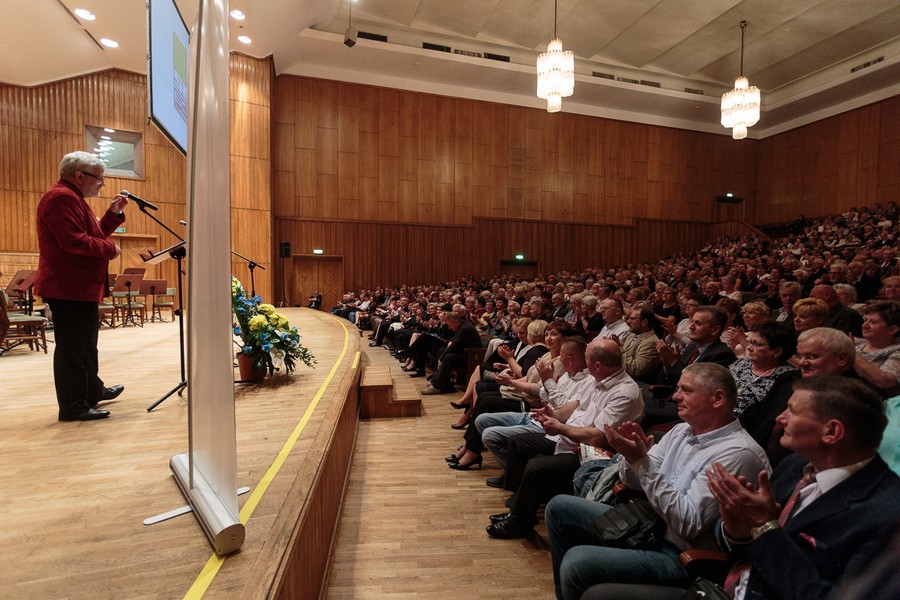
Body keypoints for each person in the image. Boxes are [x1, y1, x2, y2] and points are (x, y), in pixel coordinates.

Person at [545, 363, 769, 600]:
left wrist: (641, 463)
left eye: (687, 390)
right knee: (559, 507)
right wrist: (632, 459)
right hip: (649, 523)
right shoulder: (681, 431)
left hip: (682, 555)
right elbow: (631, 482)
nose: (676, 396)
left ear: (717, 399)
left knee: (577, 562)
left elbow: (687, 523)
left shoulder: (738, 453)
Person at [706, 376, 900, 600]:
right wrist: (737, 532)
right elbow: (749, 547)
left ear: (832, 432)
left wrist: (763, 527)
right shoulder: (794, 465)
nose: (779, 418)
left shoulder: (886, 514)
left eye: (792, 411)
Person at [485, 339, 644, 539]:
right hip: (570, 435)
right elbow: (575, 405)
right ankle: (518, 508)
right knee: (519, 443)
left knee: (536, 467)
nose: (584, 364)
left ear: (597, 365)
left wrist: (560, 427)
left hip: (591, 452)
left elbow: (598, 437)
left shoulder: (624, 393)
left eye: (587, 360)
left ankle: (520, 522)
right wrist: (553, 414)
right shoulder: (596, 379)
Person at [35, 151, 127, 421]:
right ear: (79, 176)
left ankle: (91, 391)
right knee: (72, 349)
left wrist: (113, 214)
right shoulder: (60, 197)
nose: (101, 184)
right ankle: (73, 406)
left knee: (87, 345)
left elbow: (92, 233)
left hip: (78, 288)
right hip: (68, 287)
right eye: (99, 179)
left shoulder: (74, 198)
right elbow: (74, 241)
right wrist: (110, 249)